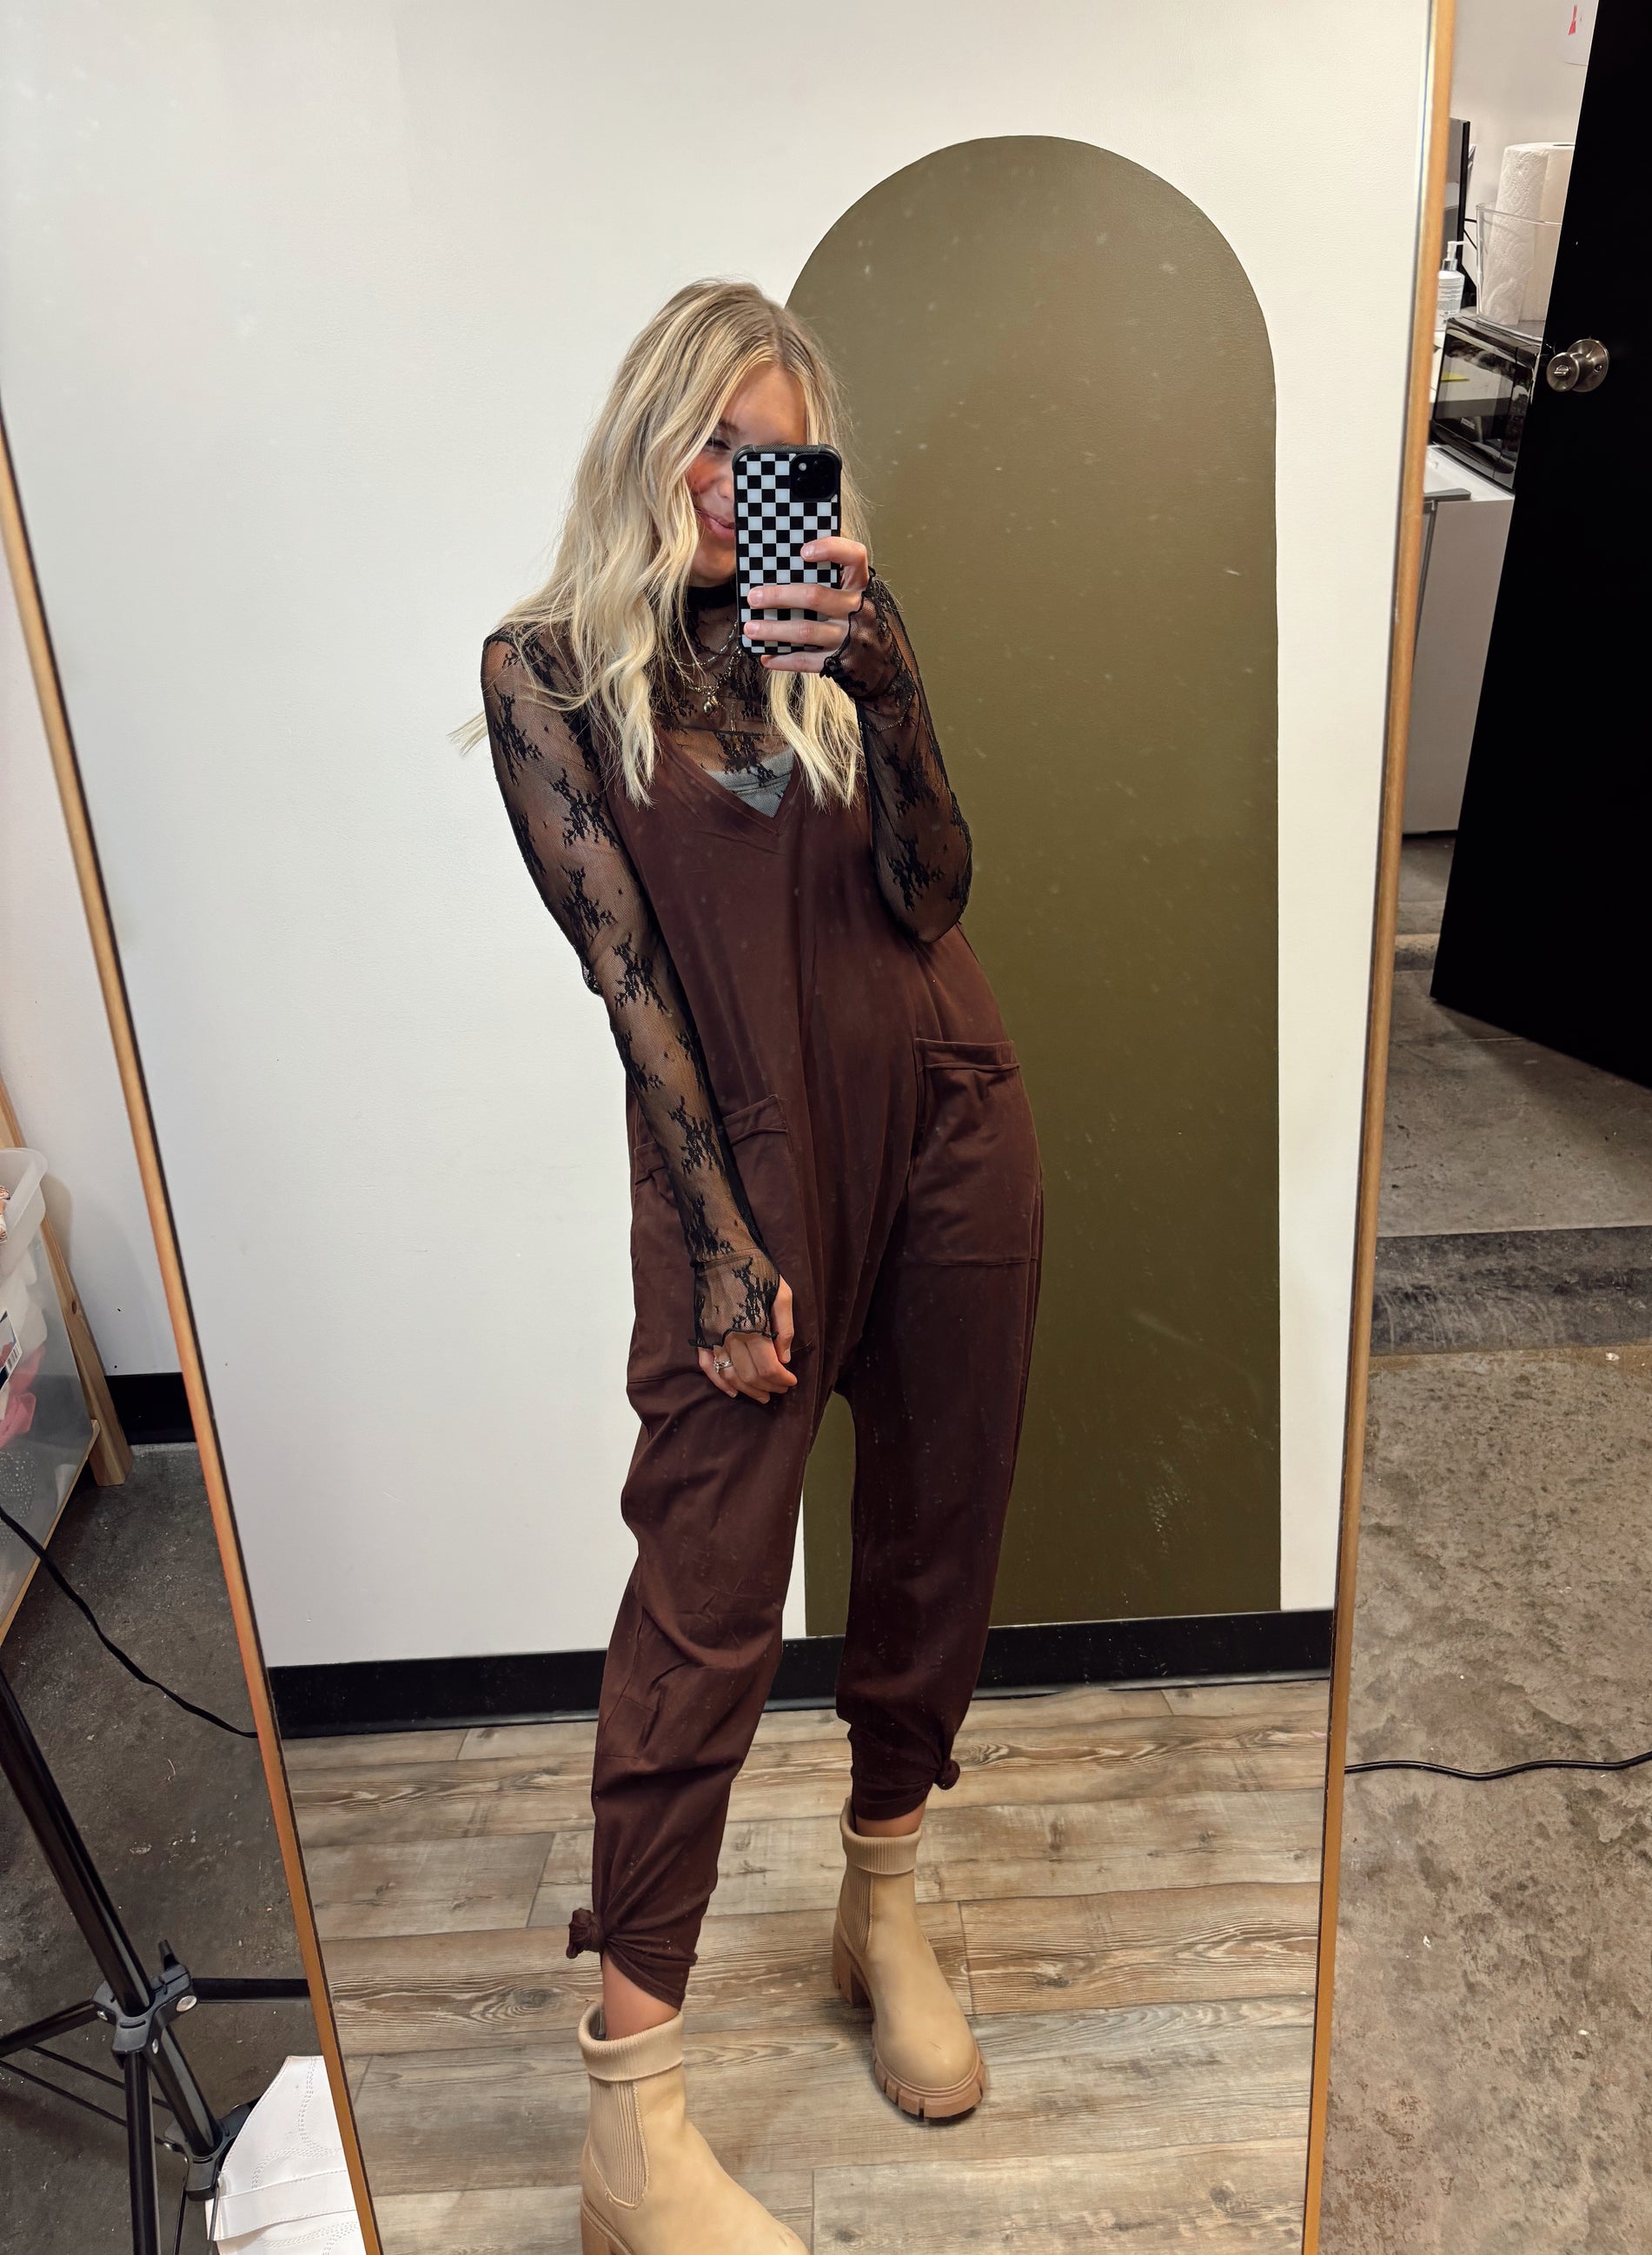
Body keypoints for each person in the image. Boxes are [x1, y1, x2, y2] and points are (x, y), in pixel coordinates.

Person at [479, 279, 1043, 2255]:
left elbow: (934, 893)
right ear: (649, 440)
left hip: (946, 1107)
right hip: (750, 1165)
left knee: (937, 1521)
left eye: (782, 454)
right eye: (716, 443)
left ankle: (881, 1897)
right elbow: (626, 979)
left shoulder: (833, 645)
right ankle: (631, 2122)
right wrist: (722, 1243)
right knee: (705, 1595)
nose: (744, 486)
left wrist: (889, 684)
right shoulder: (548, 675)